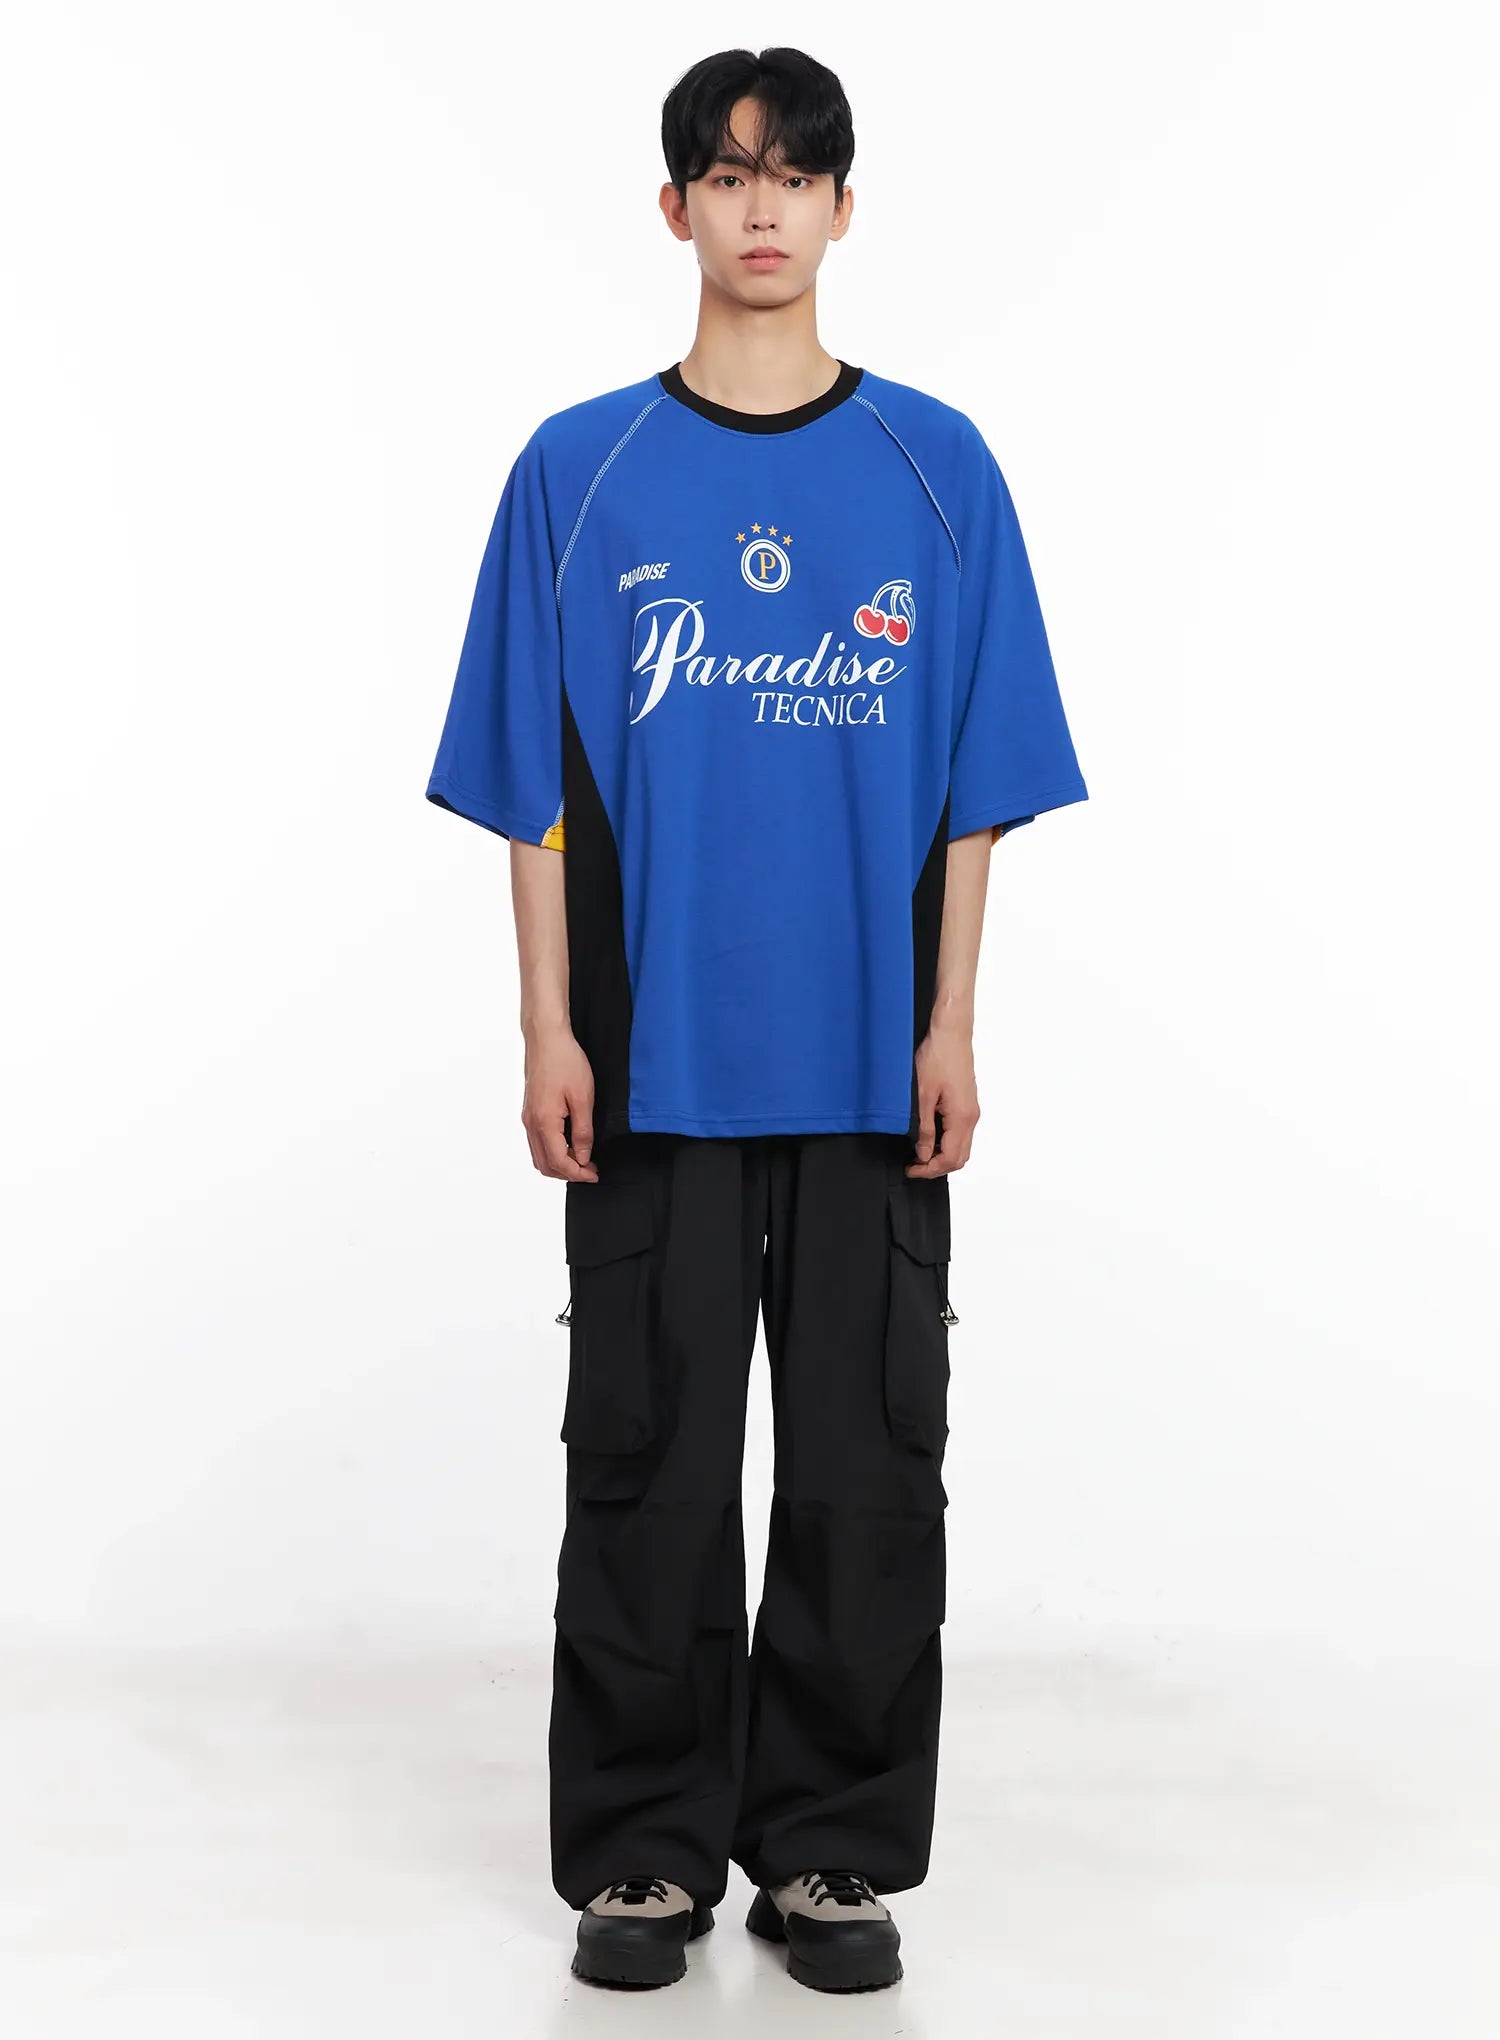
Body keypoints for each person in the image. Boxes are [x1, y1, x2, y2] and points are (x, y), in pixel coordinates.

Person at [424, 44, 1088, 1995]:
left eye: (796, 175)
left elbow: (975, 788)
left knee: (870, 1463)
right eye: (727, 176)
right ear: (675, 211)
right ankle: (644, 1855)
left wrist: (955, 1021)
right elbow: (532, 790)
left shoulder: (940, 471)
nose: (764, 208)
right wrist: (547, 1028)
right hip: (654, 1064)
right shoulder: (581, 473)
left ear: (846, 208)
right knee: (644, 1454)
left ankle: (830, 1853)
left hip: (874, 1061)